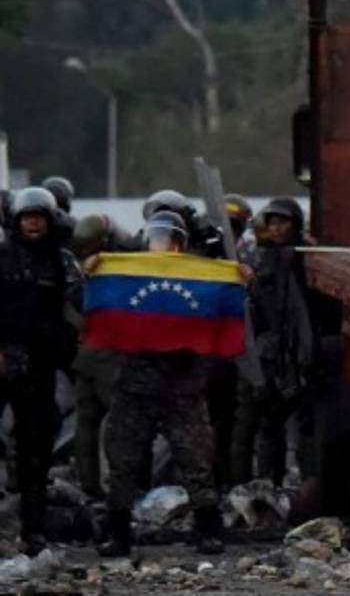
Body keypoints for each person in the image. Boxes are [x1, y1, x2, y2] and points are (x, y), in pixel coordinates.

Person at [95, 211, 233, 557]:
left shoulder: (196, 275)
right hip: (135, 387)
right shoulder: (129, 275)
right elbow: (94, 307)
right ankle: (118, 532)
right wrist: (92, 272)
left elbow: (225, 304)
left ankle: (208, 530)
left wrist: (239, 277)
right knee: (123, 461)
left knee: (197, 461)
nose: (162, 246)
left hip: (182, 387)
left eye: (168, 240)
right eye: (157, 239)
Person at [0, 187, 82, 554]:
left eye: (39, 217)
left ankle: (33, 530)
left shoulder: (63, 261)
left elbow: (81, 303)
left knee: (37, 452)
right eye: (26, 217)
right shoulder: (2, 257)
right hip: (4, 359)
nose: (33, 223)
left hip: (41, 366)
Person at [231, 198, 317, 487]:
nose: (277, 228)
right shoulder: (256, 260)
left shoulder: (308, 258)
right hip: (266, 354)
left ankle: (306, 486)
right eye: (272, 222)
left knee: (307, 425)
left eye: (283, 222)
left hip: (300, 354)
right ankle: (258, 485)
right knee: (262, 425)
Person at [70, 214, 141, 501]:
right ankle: (117, 487)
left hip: (88, 352)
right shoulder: (122, 264)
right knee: (119, 423)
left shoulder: (87, 266)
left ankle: (91, 486)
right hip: (109, 354)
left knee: (87, 422)